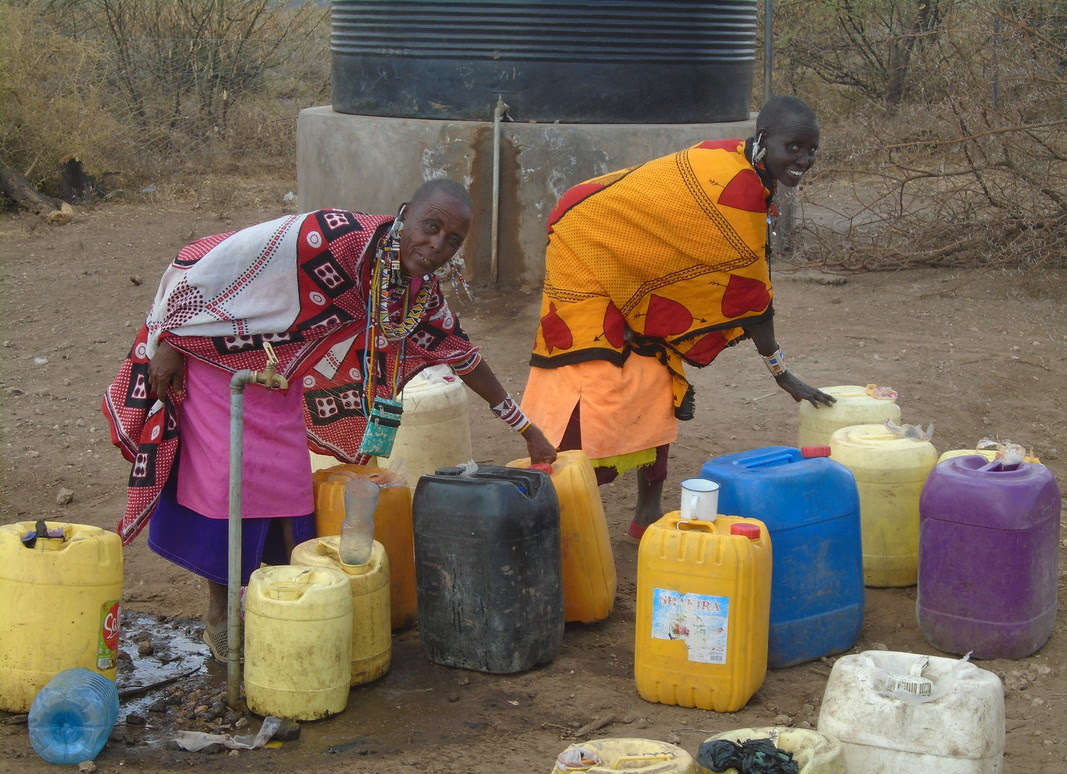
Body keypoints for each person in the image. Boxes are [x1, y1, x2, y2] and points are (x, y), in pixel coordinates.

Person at [103, 178, 556, 660]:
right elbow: (222, 261)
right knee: (230, 485)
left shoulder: (417, 293)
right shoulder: (331, 234)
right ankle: (221, 617)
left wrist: (527, 430)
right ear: (405, 214)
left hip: (278, 374)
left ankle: (279, 607)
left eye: (452, 240)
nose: (436, 245)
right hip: (217, 361)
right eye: (430, 227)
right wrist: (172, 339)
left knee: (289, 492)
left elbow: (462, 355)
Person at [520, 95, 836, 540]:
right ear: (763, 140)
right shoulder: (740, 186)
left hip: (625, 258)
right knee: (596, 380)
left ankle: (646, 516)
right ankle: (544, 510)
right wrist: (782, 374)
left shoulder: (745, 165)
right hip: (585, 248)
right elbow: (751, 298)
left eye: (812, 149)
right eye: (795, 147)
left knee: (652, 373)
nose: (805, 159)